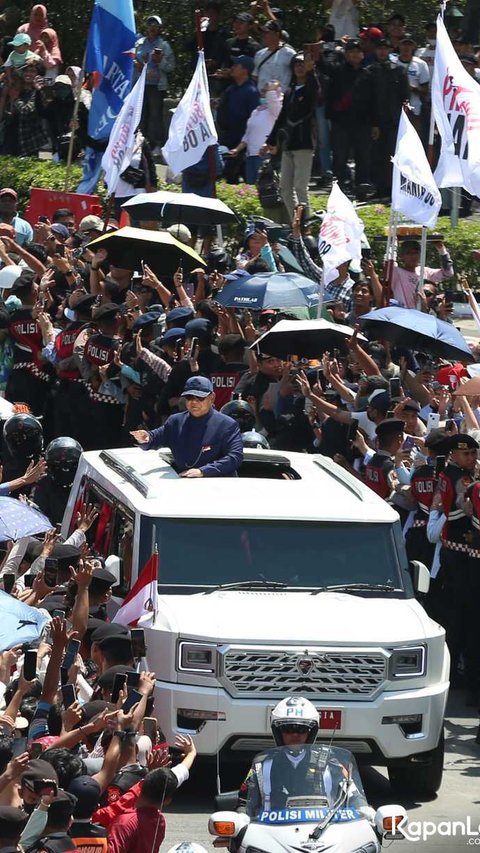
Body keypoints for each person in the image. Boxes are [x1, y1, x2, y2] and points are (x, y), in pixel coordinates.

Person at [239, 696, 366, 816]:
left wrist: (367, 811)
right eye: (288, 729)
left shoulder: (332, 764)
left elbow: (355, 796)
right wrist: (240, 817)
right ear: (278, 732)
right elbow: (243, 805)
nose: (295, 735)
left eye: (301, 729)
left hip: (322, 832)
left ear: (311, 732)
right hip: (271, 834)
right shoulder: (261, 766)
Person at [131, 375, 244, 478]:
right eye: (189, 397)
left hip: (219, 485)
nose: (194, 402)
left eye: (200, 398)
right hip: (184, 483)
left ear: (212, 398)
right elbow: (154, 437)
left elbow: (235, 457)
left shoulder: (227, 425)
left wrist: (203, 471)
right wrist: (145, 438)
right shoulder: (175, 421)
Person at [264, 52, 320, 218]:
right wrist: (271, 140)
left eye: (303, 65)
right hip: (288, 143)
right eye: (297, 65)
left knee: (300, 186)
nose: (300, 68)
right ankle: (295, 222)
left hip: (304, 143)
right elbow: (282, 117)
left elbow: (316, 91)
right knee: (285, 188)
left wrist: (313, 72)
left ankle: (306, 225)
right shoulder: (290, 91)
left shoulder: (311, 88)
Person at [134, 15, 175, 155]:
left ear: (159, 29)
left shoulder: (164, 45)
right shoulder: (139, 43)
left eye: (155, 25)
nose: (152, 27)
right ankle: (140, 143)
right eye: (149, 24)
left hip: (156, 86)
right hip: (140, 85)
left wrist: (160, 62)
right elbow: (131, 60)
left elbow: (170, 67)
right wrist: (136, 65)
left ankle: (156, 144)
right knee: (141, 115)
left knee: (155, 115)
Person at [391, 240, 454, 309]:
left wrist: (441, 248)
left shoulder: (424, 271)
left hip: (423, 315)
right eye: (408, 253)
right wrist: (394, 241)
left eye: (416, 253)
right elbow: (389, 263)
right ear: (402, 256)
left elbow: (448, 273)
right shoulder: (396, 272)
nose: (413, 256)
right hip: (404, 315)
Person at [253, 21, 296, 94]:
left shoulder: (289, 53)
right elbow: (255, 77)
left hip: (281, 99)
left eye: (267, 32)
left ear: (277, 34)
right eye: (262, 32)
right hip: (262, 99)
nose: (263, 35)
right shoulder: (259, 54)